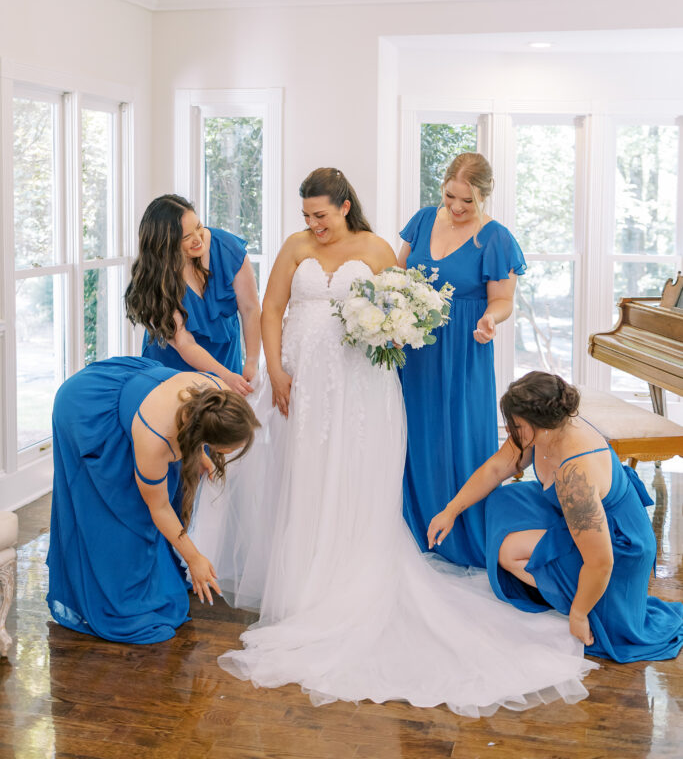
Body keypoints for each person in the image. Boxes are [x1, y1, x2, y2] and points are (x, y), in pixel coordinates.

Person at [190, 168, 595, 717]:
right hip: (303, 384)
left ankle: (349, 571)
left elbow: (405, 306)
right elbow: (270, 309)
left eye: (322, 215)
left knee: (355, 472)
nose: (314, 225)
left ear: (345, 206)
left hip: (361, 387)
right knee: (302, 472)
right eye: (307, 216)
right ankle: (303, 579)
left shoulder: (379, 248)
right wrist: (277, 371)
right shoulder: (294, 247)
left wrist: (397, 327)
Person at [428, 371, 683, 662]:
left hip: (616, 548)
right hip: (582, 521)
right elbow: (497, 468)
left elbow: (601, 562)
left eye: (518, 425)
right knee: (504, 499)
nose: (512, 430)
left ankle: (584, 600)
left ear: (541, 426)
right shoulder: (546, 427)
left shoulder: (575, 476)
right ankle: (562, 580)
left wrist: (579, 614)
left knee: (510, 553)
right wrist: (451, 510)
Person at [47, 355, 259, 644]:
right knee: (120, 515)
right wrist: (193, 557)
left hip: (136, 391)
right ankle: (106, 595)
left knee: (147, 512)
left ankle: (149, 579)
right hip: (87, 409)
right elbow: (157, 508)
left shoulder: (217, 394)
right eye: (225, 449)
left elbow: (192, 423)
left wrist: (199, 455)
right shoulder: (155, 440)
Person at [398, 152, 525, 567]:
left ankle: (460, 532)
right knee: (415, 434)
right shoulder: (420, 222)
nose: (456, 207)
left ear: (484, 196)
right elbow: (395, 277)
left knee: (460, 435)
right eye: (450, 195)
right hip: (415, 350)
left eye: (467, 201)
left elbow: (504, 300)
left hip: (464, 349)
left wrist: (491, 318)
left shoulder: (495, 238)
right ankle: (413, 528)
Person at [125, 194, 260, 396]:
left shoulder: (226, 248)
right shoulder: (156, 278)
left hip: (226, 357)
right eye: (186, 237)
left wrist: (251, 361)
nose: (198, 239)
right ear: (165, 244)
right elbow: (184, 343)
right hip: (175, 368)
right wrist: (225, 376)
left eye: (198, 227)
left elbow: (250, 309)